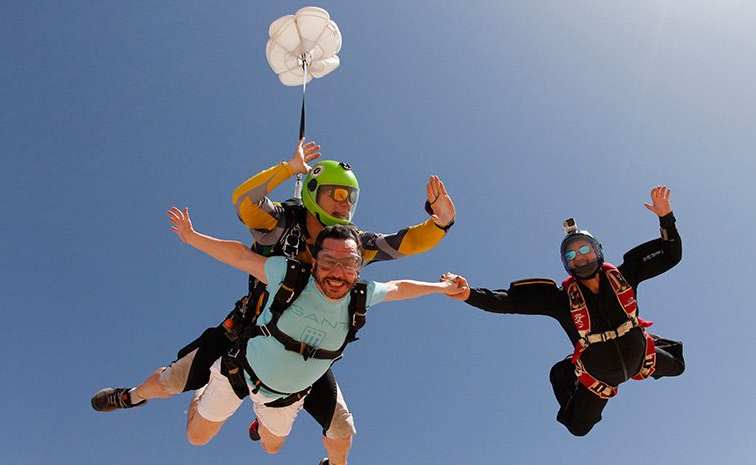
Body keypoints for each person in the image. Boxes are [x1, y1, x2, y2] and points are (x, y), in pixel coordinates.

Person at [92, 139, 455, 463]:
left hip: (306, 348)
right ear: (313, 191)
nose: (345, 204)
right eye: (336, 193)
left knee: (328, 432)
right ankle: (133, 395)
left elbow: (402, 245)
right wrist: (289, 169)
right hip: (247, 328)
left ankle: (266, 407)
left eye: (351, 197)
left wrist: (440, 223)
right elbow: (243, 202)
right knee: (171, 384)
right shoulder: (282, 221)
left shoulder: (351, 246)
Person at [168, 208, 464, 456]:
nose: (338, 271)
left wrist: (442, 287)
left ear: (359, 267)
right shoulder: (291, 276)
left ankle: (262, 417)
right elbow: (242, 257)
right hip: (243, 369)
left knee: (272, 448)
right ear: (314, 264)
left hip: (285, 393)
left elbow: (400, 287)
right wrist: (192, 237)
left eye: (349, 263)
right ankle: (202, 390)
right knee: (196, 437)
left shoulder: (360, 295)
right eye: (328, 262)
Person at [445, 186, 685, 436]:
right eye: (571, 255)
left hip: (640, 357)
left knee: (678, 366)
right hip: (598, 376)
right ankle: (568, 369)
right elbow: (509, 301)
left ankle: (648, 340)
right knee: (578, 428)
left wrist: (666, 217)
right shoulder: (559, 299)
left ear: (598, 251)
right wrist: (468, 294)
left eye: (584, 250)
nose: (579, 257)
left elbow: (670, 255)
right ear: (566, 265)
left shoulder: (625, 275)